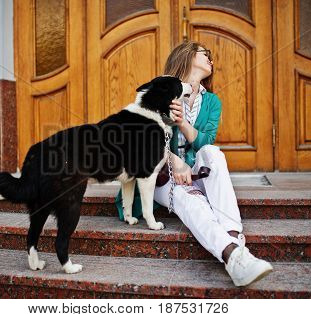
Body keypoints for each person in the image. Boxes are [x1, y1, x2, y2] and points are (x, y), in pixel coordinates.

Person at [115, 40, 273, 287]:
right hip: (159, 175)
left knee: (212, 151)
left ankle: (233, 244)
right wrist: (172, 159)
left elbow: (204, 142)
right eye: (205, 53)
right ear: (187, 56)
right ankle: (235, 254)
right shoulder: (162, 90)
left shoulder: (212, 102)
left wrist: (181, 123)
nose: (211, 58)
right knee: (189, 199)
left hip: (196, 173)